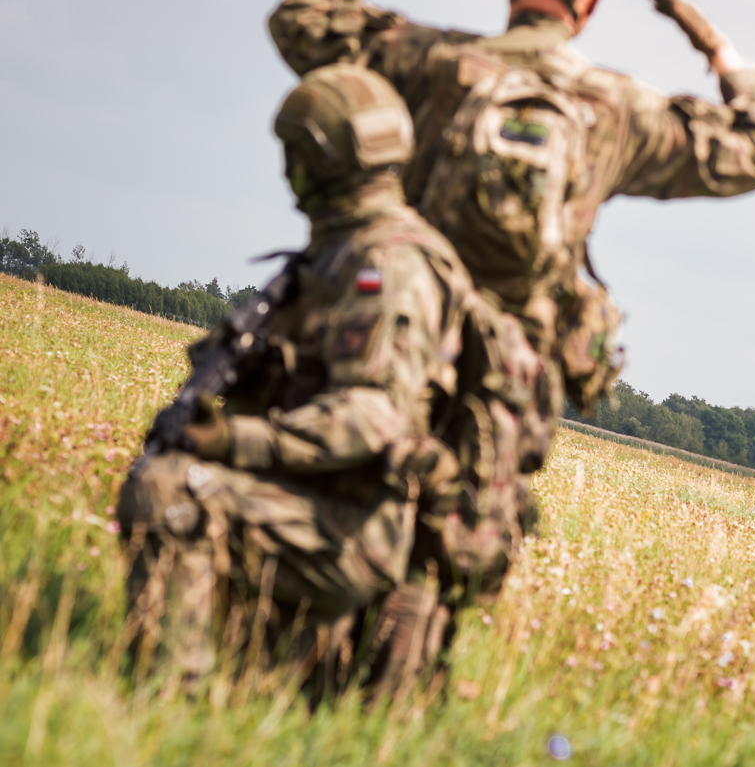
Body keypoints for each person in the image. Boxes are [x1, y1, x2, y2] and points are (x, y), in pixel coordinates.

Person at [267, 0, 755, 420]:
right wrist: (719, 51)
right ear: (592, 1)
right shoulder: (622, 113)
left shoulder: (429, 61)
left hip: (383, 342)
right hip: (500, 394)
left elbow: (298, 20)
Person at [116, 64, 536, 693]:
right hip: (317, 498)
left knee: (172, 490)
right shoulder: (339, 251)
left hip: (354, 525)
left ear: (316, 159)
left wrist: (235, 442)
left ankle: (170, 701)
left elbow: (373, 415)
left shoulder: (387, 262)